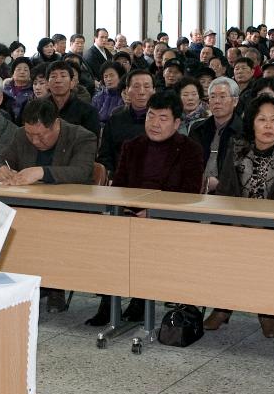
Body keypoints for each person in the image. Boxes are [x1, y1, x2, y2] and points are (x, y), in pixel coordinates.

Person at [87, 91, 205, 326]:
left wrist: (155, 213)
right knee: (105, 235)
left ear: (177, 123)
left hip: (170, 218)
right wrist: (129, 211)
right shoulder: (133, 146)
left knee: (144, 238)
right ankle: (109, 302)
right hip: (131, 214)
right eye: (151, 116)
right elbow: (119, 188)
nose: (155, 123)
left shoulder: (190, 149)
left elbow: (189, 194)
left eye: (163, 118)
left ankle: (141, 301)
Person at [205, 93, 274, 337]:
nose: (268, 126)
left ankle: (268, 311)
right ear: (252, 123)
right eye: (262, 120)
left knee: (265, 249)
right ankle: (223, 306)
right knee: (227, 244)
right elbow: (225, 191)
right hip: (237, 225)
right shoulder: (237, 147)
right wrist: (234, 223)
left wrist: (269, 226)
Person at [0, 98, 96, 186]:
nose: (35, 141)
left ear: (55, 124)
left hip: (69, 203)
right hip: (27, 202)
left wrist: (42, 172)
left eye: (40, 135)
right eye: (29, 134)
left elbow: (82, 172)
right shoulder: (21, 134)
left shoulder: (82, 137)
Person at [189, 77, 243, 192]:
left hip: (230, 194)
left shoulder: (244, 132)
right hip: (196, 190)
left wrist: (220, 183)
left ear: (235, 101)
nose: (217, 101)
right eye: (212, 97)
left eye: (222, 96)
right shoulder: (197, 129)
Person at [97, 69, 156, 174]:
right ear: (127, 90)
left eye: (147, 87)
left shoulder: (162, 120)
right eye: (136, 87)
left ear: (154, 90)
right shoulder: (115, 119)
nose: (141, 92)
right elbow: (105, 155)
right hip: (119, 180)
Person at [46, 58, 100, 139]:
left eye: (63, 76)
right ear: (47, 84)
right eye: (53, 76)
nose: (58, 80)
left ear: (72, 83)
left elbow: (90, 141)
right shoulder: (38, 108)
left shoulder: (88, 112)